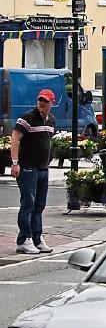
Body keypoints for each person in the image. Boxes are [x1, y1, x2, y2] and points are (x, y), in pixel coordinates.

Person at [10, 89, 56, 255]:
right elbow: (15, 139)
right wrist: (15, 163)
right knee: (28, 204)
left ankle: (37, 238)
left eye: (45, 101)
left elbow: (47, 141)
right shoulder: (27, 118)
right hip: (28, 167)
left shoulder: (51, 121)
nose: (41, 103)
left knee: (39, 205)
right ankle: (24, 239)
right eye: (40, 100)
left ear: (52, 103)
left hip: (43, 168)